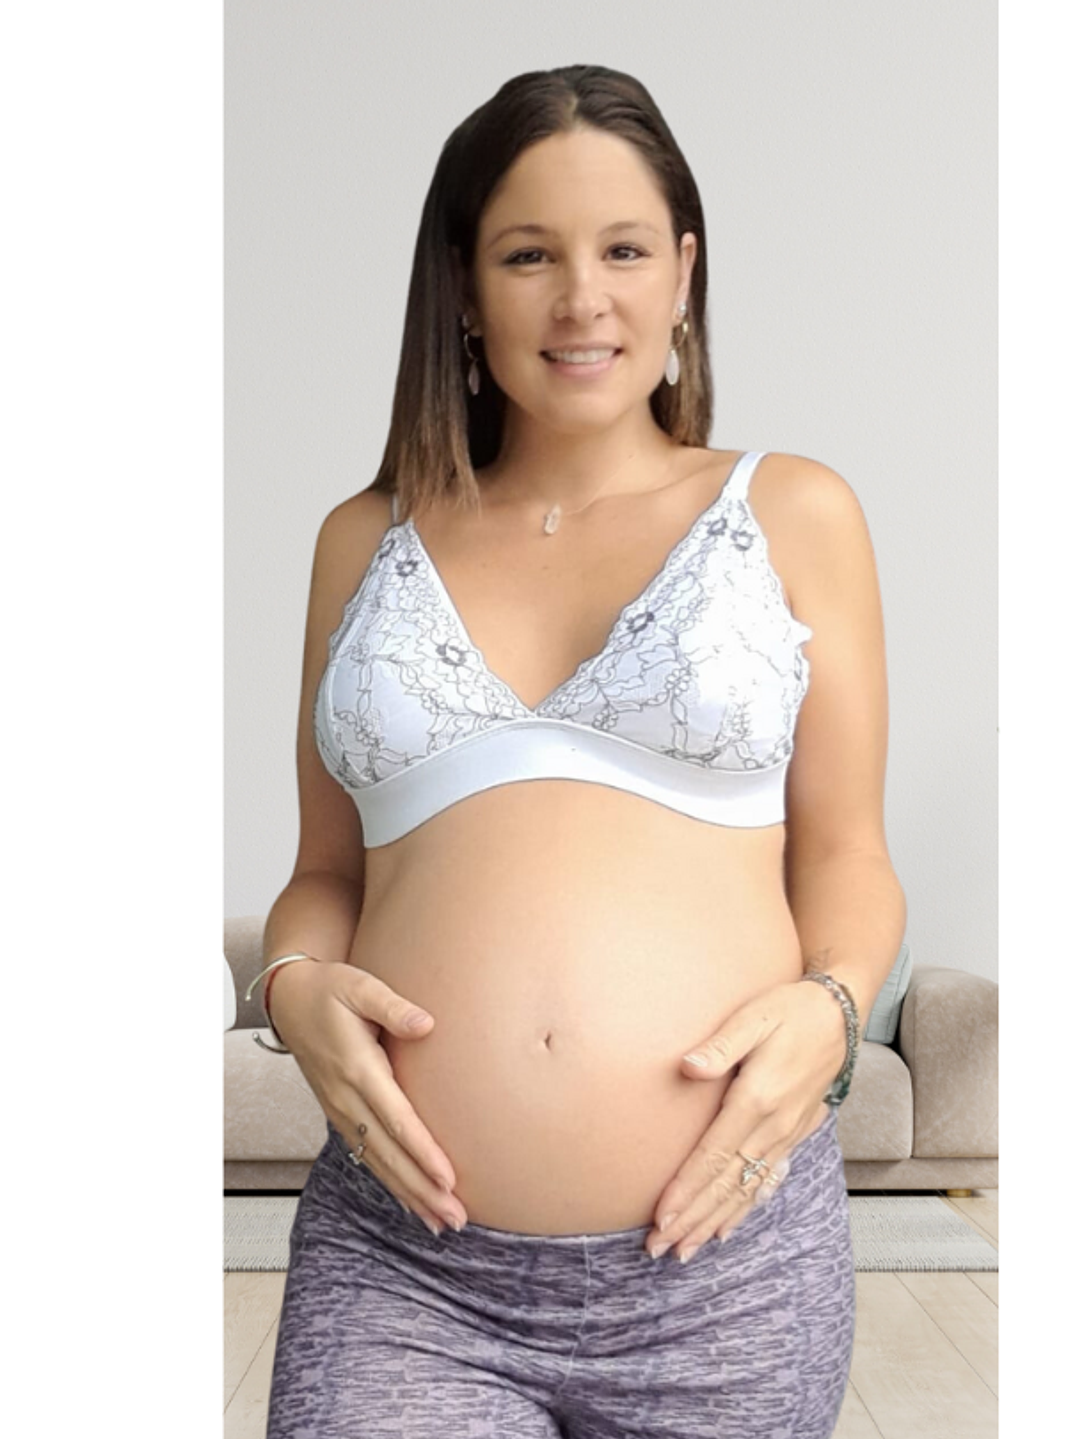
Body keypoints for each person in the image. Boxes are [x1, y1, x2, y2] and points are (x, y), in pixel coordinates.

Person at [254, 63, 906, 1439]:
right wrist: (290, 984)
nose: (581, 299)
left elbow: (848, 857)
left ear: (684, 273)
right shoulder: (363, 540)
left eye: (622, 250)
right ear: (461, 286)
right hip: (403, 1269)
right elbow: (326, 874)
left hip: (726, 1263)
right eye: (527, 255)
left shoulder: (793, 512)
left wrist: (834, 1009)